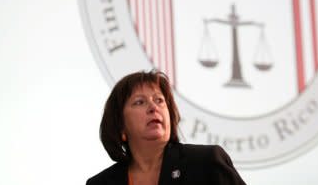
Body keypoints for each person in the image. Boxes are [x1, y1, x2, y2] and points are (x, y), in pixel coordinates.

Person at [86, 70, 247, 185]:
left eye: (159, 100)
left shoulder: (206, 162)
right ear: (121, 126)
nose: (153, 107)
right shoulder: (101, 183)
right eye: (139, 102)